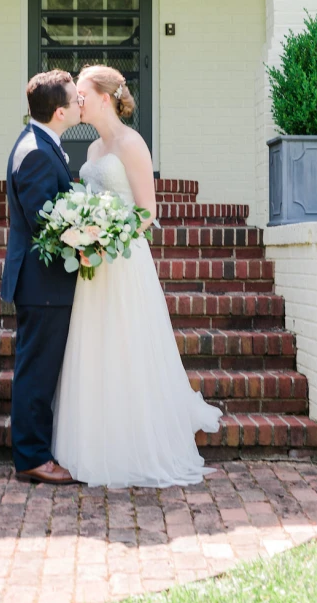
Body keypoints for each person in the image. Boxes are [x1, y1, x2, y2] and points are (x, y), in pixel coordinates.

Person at [51, 64, 222, 488]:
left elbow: (148, 212)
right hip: (93, 268)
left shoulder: (132, 144)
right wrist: (83, 235)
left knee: (127, 348)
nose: (78, 101)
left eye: (84, 94)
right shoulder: (91, 152)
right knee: (96, 350)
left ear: (105, 98)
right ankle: (92, 446)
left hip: (123, 263)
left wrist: (108, 240)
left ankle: (134, 448)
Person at [1, 70, 83, 485]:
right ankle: (32, 458)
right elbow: (44, 222)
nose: (79, 104)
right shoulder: (34, 152)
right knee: (36, 371)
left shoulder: (41, 143)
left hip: (46, 285)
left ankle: (36, 451)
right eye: (74, 100)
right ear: (58, 112)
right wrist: (87, 239)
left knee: (39, 368)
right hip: (41, 284)